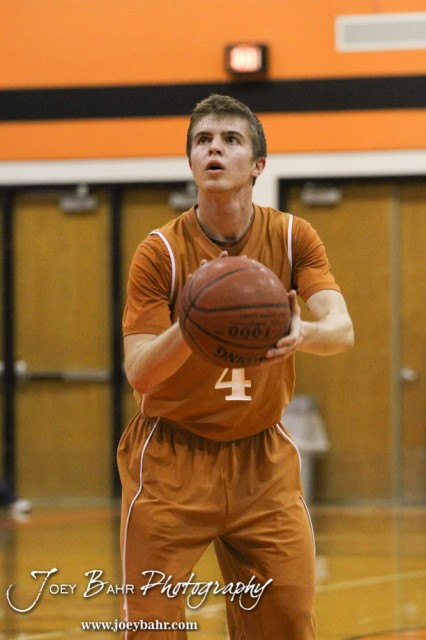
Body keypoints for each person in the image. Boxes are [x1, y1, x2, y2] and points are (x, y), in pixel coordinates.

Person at [118, 94, 354, 639]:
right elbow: (140, 372)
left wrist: (302, 334)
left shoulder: (293, 236)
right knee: (152, 627)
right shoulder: (160, 252)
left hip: (261, 455)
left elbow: (342, 331)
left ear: (258, 165)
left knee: (287, 621)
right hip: (173, 454)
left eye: (230, 140)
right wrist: (195, 321)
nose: (214, 150)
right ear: (190, 161)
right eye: (202, 140)